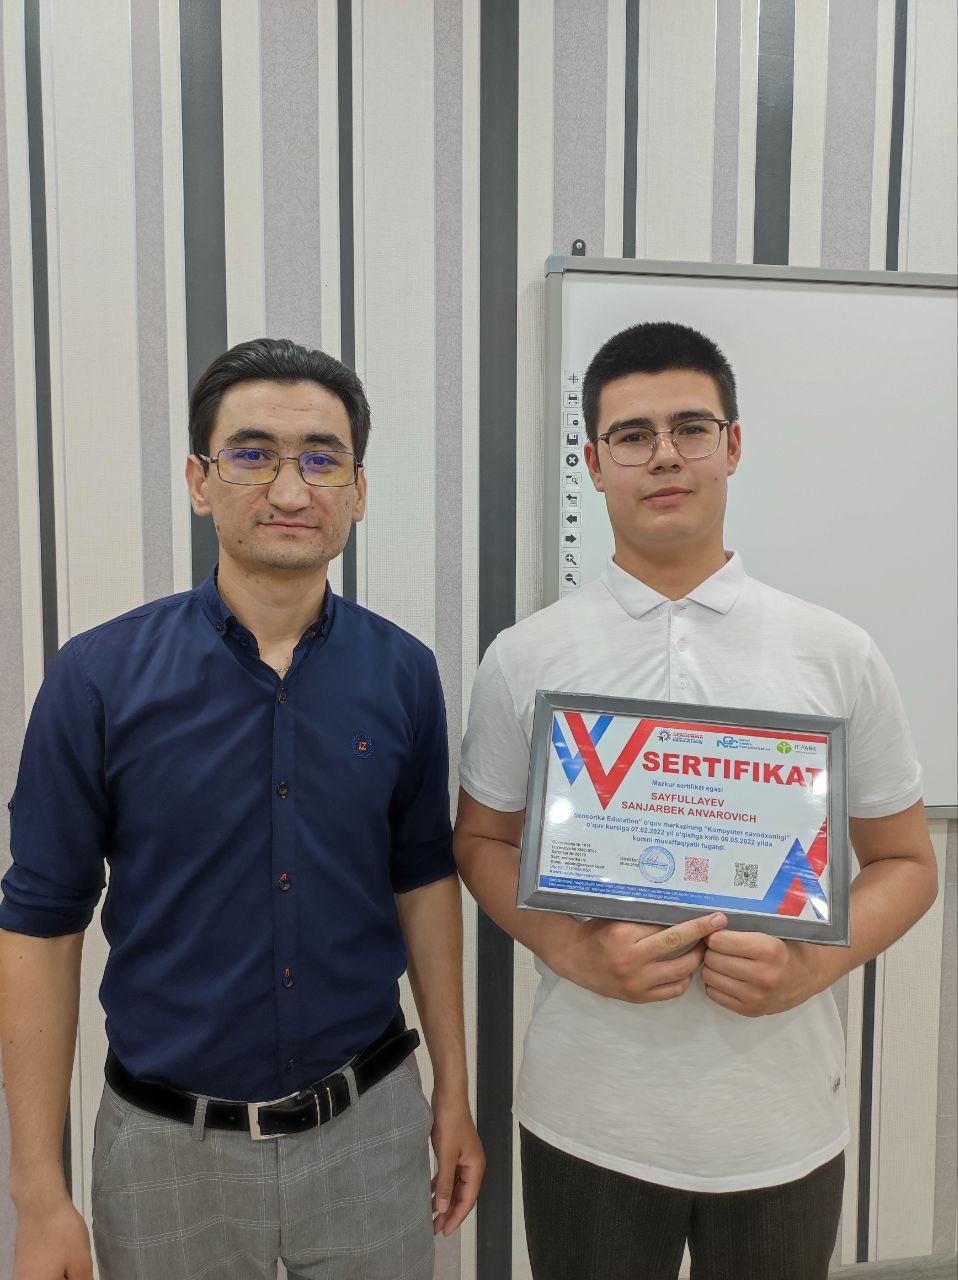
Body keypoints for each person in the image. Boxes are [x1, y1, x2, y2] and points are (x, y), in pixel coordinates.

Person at [453, 321, 936, 1280]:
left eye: (691, 427)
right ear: (594, 464)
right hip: (586, 1117)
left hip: (781, 1124)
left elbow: (908, 863)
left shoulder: (834, 652)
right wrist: (575, 951)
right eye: (632, 435)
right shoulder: (525, 657)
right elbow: (479, 842)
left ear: (733, 445)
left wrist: (809, 967)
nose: (665, 454)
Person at [0, 338, 483, 1280]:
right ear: (200, 480)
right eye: (253, 454)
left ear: (358, 490)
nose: (290, 490)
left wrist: (454, 1094)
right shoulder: (97, 679)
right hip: (165, 1152)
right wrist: (37, 1194)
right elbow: (40, 926)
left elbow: (424, 879)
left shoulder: (404, 672)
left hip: (369, 1133)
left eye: (322, 459)